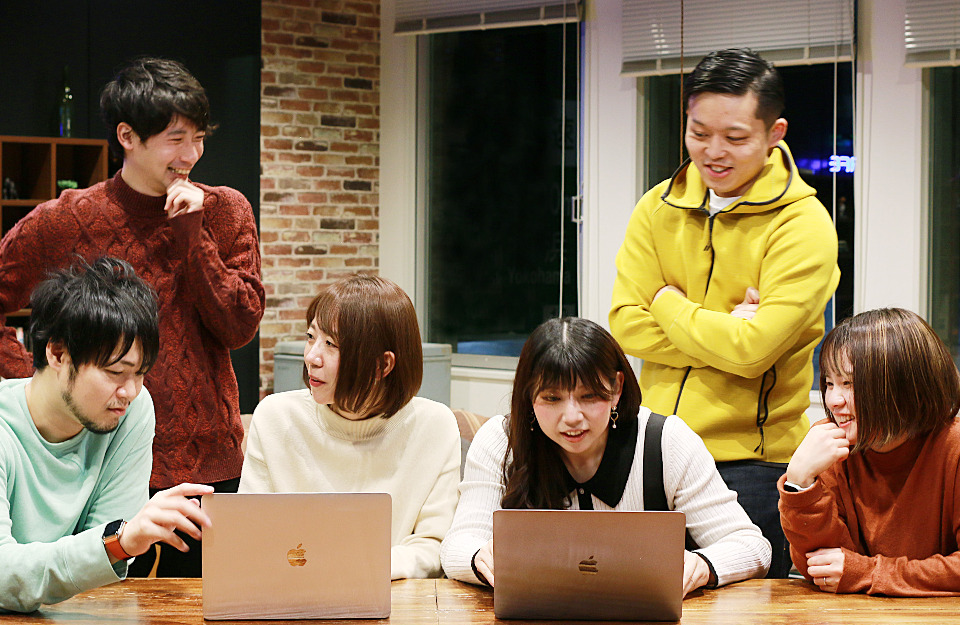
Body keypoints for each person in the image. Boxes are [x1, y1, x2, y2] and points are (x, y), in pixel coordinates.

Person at [0, 57, 263, 577]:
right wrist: (41, 376)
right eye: (175, 139)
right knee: (102, 609)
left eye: (199, 139)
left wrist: (194, 237)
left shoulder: (225, 210)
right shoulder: (70, 217)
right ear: (127, 136)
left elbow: (239, 326)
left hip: (206, 470)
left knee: (202, 613)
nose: (191, 155)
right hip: (101, 469)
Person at [609, 48, 840, 578]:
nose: (713, 152)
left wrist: (665, 301)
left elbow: (753, 351)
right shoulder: (657, 208)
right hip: (654, 449)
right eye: (698, 132)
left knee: (750, 616)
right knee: (637, 604)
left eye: (735, 137)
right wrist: (726, 330)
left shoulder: (803, 225)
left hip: (752, 465)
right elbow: (625, 325)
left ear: (775, 132)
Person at [441, 317, 770, 595]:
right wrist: (480, 557)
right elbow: (457, 545)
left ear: (616, 388)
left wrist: (702, 564)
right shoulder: (501, 442)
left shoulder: (666, 441)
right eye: (552, 398)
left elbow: (750, 545)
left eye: (589, 396)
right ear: (528, 396)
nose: (572, 417)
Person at [0, 257, 212, 613]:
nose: (130, 391)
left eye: (140, 373)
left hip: (73, 619)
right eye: (115, 372)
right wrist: (117, 542)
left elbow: (104, 565)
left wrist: (115, 543)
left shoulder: (131, 410)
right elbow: (3, 574)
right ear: (58, 353)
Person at [239, 274, 461, 579]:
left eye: (331, 344)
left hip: (394, 599)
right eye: (311, 337)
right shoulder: (276, 418)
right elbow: (249, 534)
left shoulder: (434, 427)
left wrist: (355, 567)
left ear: (382, 365)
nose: (311, 357)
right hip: (291, 591)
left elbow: (433, 545)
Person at [779, 308, 960, 595]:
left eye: (848, 383)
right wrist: (799, 483)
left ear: (901, 385)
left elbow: (850, 571)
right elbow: (822, 567)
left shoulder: (953, 445)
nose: (833, 400)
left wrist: (870, 573)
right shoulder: (831, 445)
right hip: (855, 616)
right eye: (829, 383)